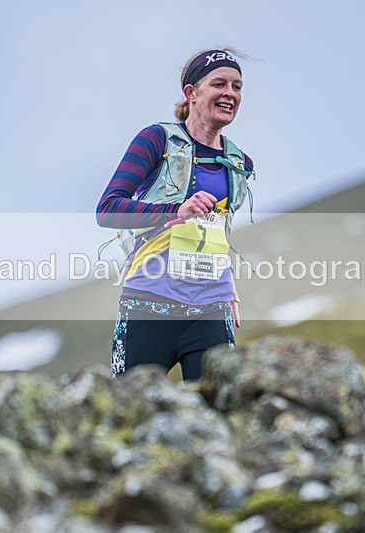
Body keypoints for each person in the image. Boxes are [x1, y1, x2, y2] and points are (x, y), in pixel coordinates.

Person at [96, 48, 255, 381]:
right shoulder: (157, 139)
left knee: (215, 417)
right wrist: (175, 211)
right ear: (191, 93)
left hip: (211, 310)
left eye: (237, 86)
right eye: (219, 84)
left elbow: (215, 233)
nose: (230, 93)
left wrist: (230, 286)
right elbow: (108, 209)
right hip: (148, 305)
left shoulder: (240, 162)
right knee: (131, 414)